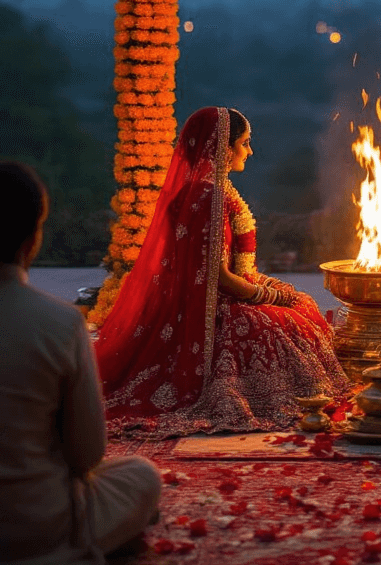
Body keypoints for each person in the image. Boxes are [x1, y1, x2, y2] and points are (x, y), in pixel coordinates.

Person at [96, 106, 349, 435]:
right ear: (222, 147)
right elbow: (218, 277)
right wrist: (269, 295)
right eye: (244, 142)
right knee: (296, 315)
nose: (249, 150)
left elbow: (230, 266)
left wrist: (267, 285)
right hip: (217, 309)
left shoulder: (206, 190)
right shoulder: (211, 195)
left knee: (298, 300)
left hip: (212, 297)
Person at [0, 162, 161, 565]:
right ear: (33, 238)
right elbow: (87, 454)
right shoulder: (59, 323)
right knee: (140, 476)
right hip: (32, 529)